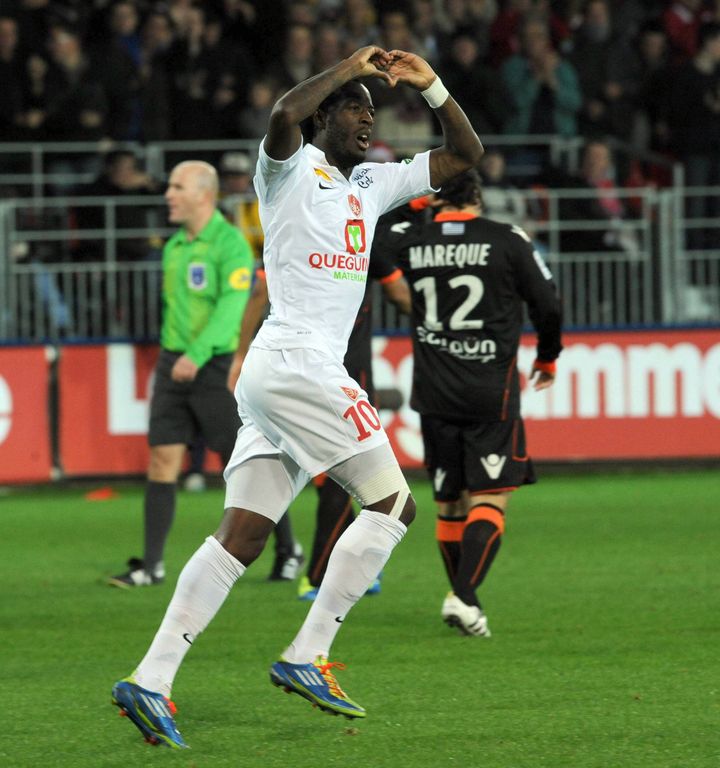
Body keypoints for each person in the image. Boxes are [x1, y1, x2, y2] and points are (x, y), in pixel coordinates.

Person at [111, 44, 483, 749]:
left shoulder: (372, 183)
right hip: (299, 363)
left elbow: (464, 155)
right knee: (395, 502)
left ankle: (151, 679)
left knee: (243, 534)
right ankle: (307, 654)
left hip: (282, 374)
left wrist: (431, 85)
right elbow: (284, 112)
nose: (367, 120)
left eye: (373, 111)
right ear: (324, 118)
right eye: (354, 109)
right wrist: (347, 68)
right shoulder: (286, 170)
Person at [379, 168, 562, 637]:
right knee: (490, 497)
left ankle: (462, 597)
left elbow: (372, 238)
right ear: (478, 195)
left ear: (435, 199)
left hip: (434, 391)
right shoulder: (507, 238)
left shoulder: (413, 239)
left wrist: (414, 206)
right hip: (490, 389)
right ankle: (463, 597)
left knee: (449, 502)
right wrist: (548, 357)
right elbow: (548, 302)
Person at [108, 160, 254, 588]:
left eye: (177, 187)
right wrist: (176, 356)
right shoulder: (174, 247)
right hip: (174, 363)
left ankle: (286, 548)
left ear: (204, 195)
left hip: (211, 365)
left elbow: (231, 309)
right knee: (162, 458)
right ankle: (151, 566)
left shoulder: (231, 245)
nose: (168, 194)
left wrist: (201, 352)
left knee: (240, 464)